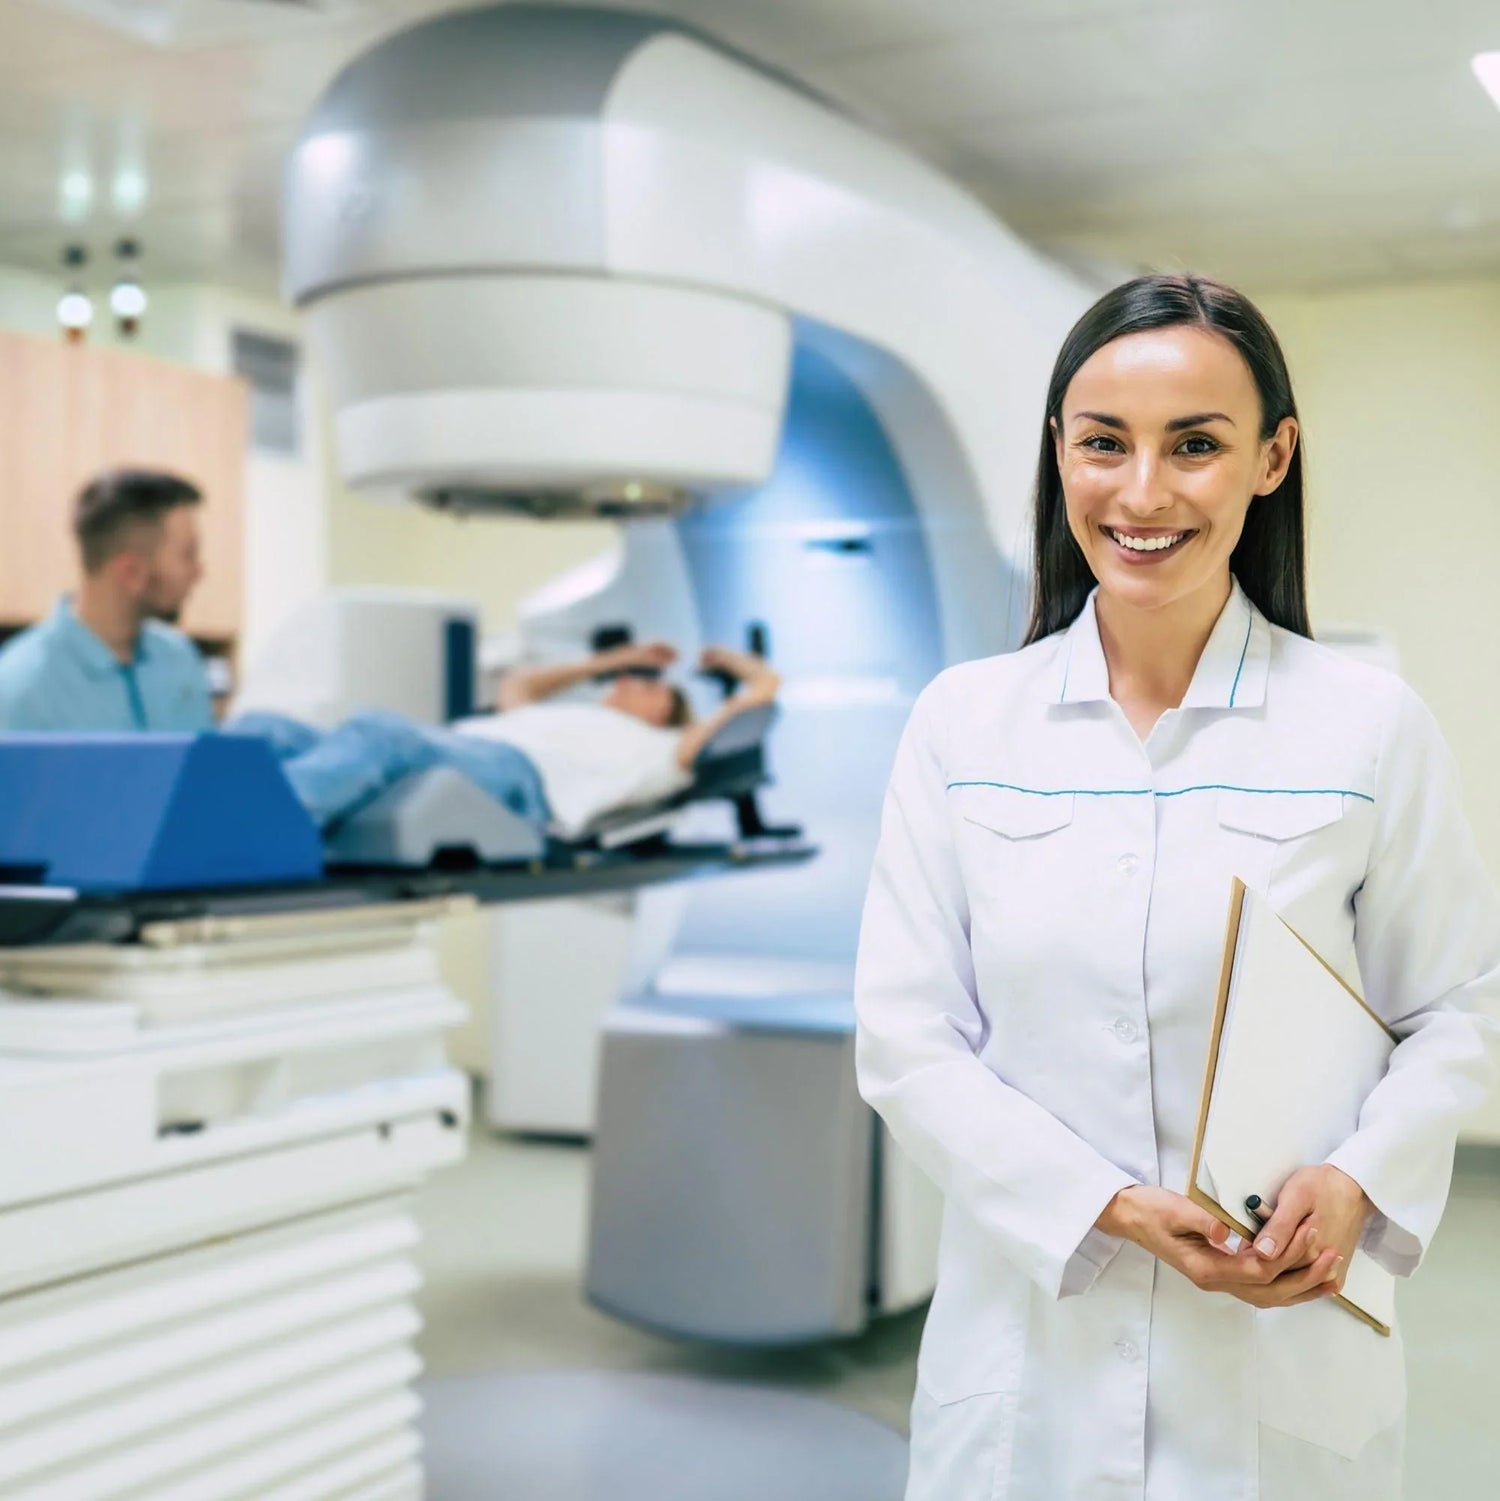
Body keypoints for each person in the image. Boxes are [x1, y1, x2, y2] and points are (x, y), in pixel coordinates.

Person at [853, 273, 1500, 1501]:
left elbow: (1461, 1004)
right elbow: (904, 1037)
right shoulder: (963, 724)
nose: (1142, 492)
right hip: (1026, 1360)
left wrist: (1360, 1177)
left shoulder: (1367, 728)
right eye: (1105, 444)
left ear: (1271, 459)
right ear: (1060, 456)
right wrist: (1102, 1204)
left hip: (1276, 1360)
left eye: (1195, 445)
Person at [230, 639, 780, 837]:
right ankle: (193, 815)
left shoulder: (663, 752)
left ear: (666, 707)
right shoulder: (576, 713)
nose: (629, 682)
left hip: (518, 777)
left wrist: (733, 663)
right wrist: (612, 659)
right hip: (459, 748)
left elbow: (766, 687)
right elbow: (518, 685)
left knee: (378, 733)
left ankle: (248, 837)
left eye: (646, 682)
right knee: (267, 727)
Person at [0, 469, 213, 732]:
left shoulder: (181, 661)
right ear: (131, 573)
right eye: (188, 555)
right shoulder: (21, 685)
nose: (199, 573)